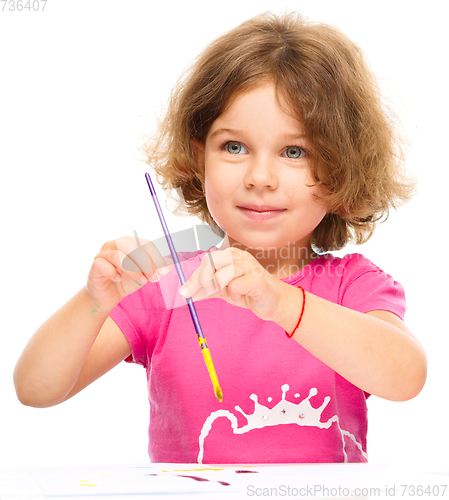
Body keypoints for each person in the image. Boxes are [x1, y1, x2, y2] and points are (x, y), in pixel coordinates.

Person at [14, 11, 426, 464]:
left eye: (294, 151)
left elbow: (405, 377)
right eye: (234, 146)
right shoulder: (170, 286)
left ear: (341, 171)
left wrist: (281, 303)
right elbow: (36, 390)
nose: (260, 177)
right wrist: (94, 300)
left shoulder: (352, 286)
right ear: (199, 157)